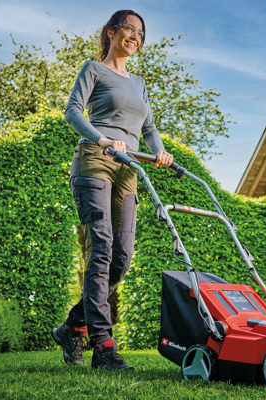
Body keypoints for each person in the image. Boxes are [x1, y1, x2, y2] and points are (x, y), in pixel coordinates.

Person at [51, 9, 173, 370]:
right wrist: (102, 138)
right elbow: (73, 112)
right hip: (96, 159)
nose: (135, 36)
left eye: (141, 33)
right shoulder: (93, 69)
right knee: (101, 246)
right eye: (129, 29)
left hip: (130, 168)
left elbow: (148, 128)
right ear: (111, 31)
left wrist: (160, 151)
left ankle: (73, 325)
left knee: (121, 255)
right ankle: (103, 347)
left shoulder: (139, 84)